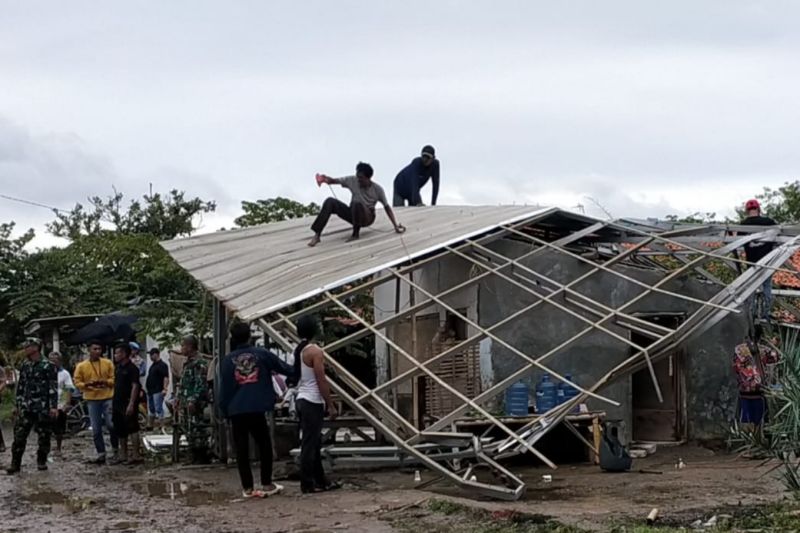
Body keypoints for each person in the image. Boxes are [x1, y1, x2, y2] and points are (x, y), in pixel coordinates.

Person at [219, 322, 296, 498]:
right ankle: (267, 483)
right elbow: (286, 369)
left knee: (242, 449)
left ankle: (247, 488)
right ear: (249, 336)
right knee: (264, 445)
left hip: (236, 410)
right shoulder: (262, 354)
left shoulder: (227, 361)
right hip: (257, 408)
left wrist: (223, 411)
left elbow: (225, 390)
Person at [308, 162, 406, 247]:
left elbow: (387, 207)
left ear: (369, 178)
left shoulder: (378, 189)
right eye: (358, 177)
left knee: (357, 203)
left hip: (367, 217)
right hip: (353, 214)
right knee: (330, 201)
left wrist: (395, 226)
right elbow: (334, 181)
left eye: (361, 178)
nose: (359, 180)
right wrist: (325, 179)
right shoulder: (353, 180)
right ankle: (317, 235)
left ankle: (355, 234)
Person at [293, 316, 339, 494]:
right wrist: (331, 404)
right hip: (312, 400)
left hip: (301, 398)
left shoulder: (298, 350)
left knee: (313, 441)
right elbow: (321, 379)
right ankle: (307, 483)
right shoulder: (315, 352)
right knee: (310, 444)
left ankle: (321, 480)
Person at [7, 338, 57, 474]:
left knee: (44, 436)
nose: (25, 348)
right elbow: (21, 386)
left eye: (28, 346)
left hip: (42, 406)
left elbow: (53, 387)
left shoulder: (48, 365)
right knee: (19, 436)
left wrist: (53, 406)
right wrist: (17, 405)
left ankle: (41, 461)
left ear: (36, 347)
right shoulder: (25, 365)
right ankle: (15, 464)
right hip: (26, 406)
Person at [74, 341, 117, 464]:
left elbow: (113, 378)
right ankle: (101, 453)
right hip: (92, 398)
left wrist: (106, 382)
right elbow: (77, 382)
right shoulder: (81, 366)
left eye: (99, 349)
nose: (97, 351)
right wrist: (86, 385)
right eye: (95, 349)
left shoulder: (108, 363)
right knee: (96, 428)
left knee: (111, 424)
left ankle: (115, 450)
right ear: (89, 350)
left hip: (108, 396)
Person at [733, 325, 779, 434]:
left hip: (744, 390)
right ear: (760, 336)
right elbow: (776, 357)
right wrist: (773, 344)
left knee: (745, 417)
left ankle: (747, 442)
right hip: (759, 391)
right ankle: (757, 441)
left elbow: (735, 367)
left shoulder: (738, 349)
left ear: (748, 335)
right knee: (759, 418)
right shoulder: (765, 350)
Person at [741, 199, 778, 319]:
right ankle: (766, 314)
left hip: (751, 262)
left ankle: (750, 314)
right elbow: (778, 232)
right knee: (767, 287)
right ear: (758, 210)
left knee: (750, 288)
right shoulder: (768, 222)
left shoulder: (743, 224)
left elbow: (735, 239)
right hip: (767, 261)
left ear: (747, 211)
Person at [177, 335, 211, 464]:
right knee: (188, 428)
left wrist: (193, 399)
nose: (181, 348)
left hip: (195, 402)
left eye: (183, 345)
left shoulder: (199, 362)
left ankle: (201, 455)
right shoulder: (188, 362)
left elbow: (200, 383)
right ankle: (193, 455)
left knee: (197, 428)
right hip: (186, 400)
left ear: (190, 347)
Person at [111, 344, 142, 465]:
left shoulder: (132, 368)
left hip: (128, 401)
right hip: (117, 402)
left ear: (124, 354)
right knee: (120, 428)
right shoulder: (118, 368)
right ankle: (122, 454)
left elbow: (135, 386)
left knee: (132, 427)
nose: (115, 355)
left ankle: (136, 454)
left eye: (117, 353)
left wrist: (131, 403)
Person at [48, 352, 74, 455]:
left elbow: (67, 389)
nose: (53, 363)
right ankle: (46, 448)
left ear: (60, 361)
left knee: (59, 428)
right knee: (46, 428)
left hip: (60, 403)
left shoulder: (64, 374)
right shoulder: (46, 373)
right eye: (51, 361)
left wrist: (65, 404)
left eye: (55, 361)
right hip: (47, 404)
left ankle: (58, 448)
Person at [145, 347, 169, 429]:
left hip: (158, 390)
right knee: (151, 408)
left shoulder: (162, 365)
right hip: (150, 390)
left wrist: (165, 388)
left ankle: (162, 425)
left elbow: (166, 377)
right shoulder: (153, 366)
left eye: (152, 355)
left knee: (158, 407)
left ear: (156, 354)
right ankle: (150, 425)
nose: (150, 357)